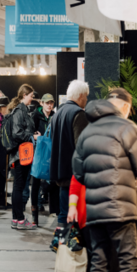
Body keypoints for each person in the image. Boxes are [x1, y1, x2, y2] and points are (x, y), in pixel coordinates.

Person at [73, 88, 137, 272]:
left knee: (99, 261)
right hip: (121, 209)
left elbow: (78, 172)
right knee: (127, 260)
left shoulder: (89, 130)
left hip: (95, 210)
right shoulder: (127, 128)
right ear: (125, 106)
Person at [49, 80, 89, 246]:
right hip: (73, 172)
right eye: (86, 97)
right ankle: (65, 245)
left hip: (59, 169)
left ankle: (61, 244)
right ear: (80, 96)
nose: (86, 100)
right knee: (71, 213)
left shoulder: (58, 113)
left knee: (64, 211)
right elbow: (82, 145)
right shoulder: (78, 114)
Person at [8, 84, 40, 230]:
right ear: (24, 95)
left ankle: (16, 219)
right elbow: (17, 133)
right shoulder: (20, 111)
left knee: (18, 187)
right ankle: (20, 219)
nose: (32, 98)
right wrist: (31, 136)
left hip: (20, 155)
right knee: (19, 187)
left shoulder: (22, 110)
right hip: (21, 155)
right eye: (31, 96)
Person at [29, 93, 56, 225]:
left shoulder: (54, 116)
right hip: (38, 153)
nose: (49, 105)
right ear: (42, 103)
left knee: (50, 182)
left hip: (50, 153)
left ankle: (52, 210)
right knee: (36, 182)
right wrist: (35, 137)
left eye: (51, 103)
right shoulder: (35, 115)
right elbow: (30, 132)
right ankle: (35, 216)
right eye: (47, 103)